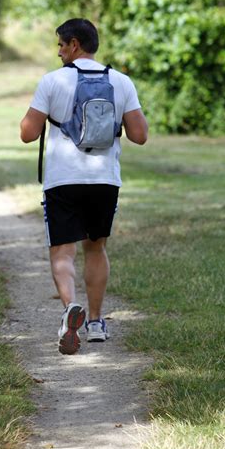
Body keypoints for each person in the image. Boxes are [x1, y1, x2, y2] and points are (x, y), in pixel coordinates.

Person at [20, 18, 147, 355]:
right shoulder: (121, 82)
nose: (59, 52)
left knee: (62, 250)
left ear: (74, 44)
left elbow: (27, 133)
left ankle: (68, 310)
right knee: (96, 247)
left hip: (63, 178)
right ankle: (94, 322)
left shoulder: (52, 81)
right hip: (104, 179)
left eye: (61, 45)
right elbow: (140, 135)